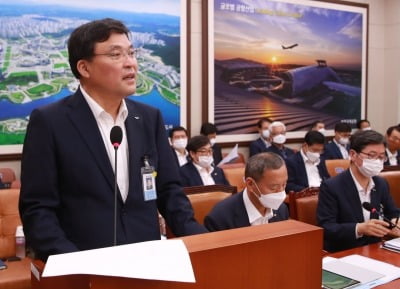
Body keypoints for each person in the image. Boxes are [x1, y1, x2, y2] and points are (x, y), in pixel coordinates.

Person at [19, 18, 207, 261]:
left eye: (131, 53)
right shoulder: (50, 122)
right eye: (116, 55)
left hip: (146, 263)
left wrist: (201, 241)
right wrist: (72, 263)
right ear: (84, 68)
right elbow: (37, 209)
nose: (131, 63)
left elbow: (169, 191)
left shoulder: (149, 118)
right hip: (83, 269)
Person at [317, 130, 400, 252]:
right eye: (371, 155)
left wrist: (395, 222)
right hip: (345, 252)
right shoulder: (332, 186)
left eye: (381, 156)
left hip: (375, 249)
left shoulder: (380, 183)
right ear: (353, 154)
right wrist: (359, 228)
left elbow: (393, 213)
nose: (377, 161)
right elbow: (326, 228)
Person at [204, 152, 289, 231]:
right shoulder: (220, 217)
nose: (281, 192)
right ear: (250, 184)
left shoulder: (281, 209)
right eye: (274, 187)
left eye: (284, 185)